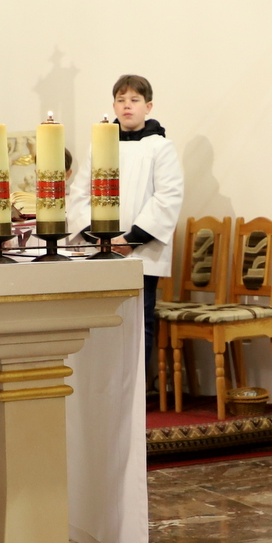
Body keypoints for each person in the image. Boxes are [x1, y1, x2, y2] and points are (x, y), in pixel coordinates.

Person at [65, 74, 184, 370]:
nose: (127, 106)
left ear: (148, 106)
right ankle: (103, 392)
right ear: (114, 106)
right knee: (98, 321)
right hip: (99, 251)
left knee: (137, 322)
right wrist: (100, 239)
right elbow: (80, 195)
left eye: (134, 100)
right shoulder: (100, 146)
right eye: (121, 100)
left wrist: (129, 241)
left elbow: (167, 198)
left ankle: (136, 398)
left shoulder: (160, 147)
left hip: (139, 251)